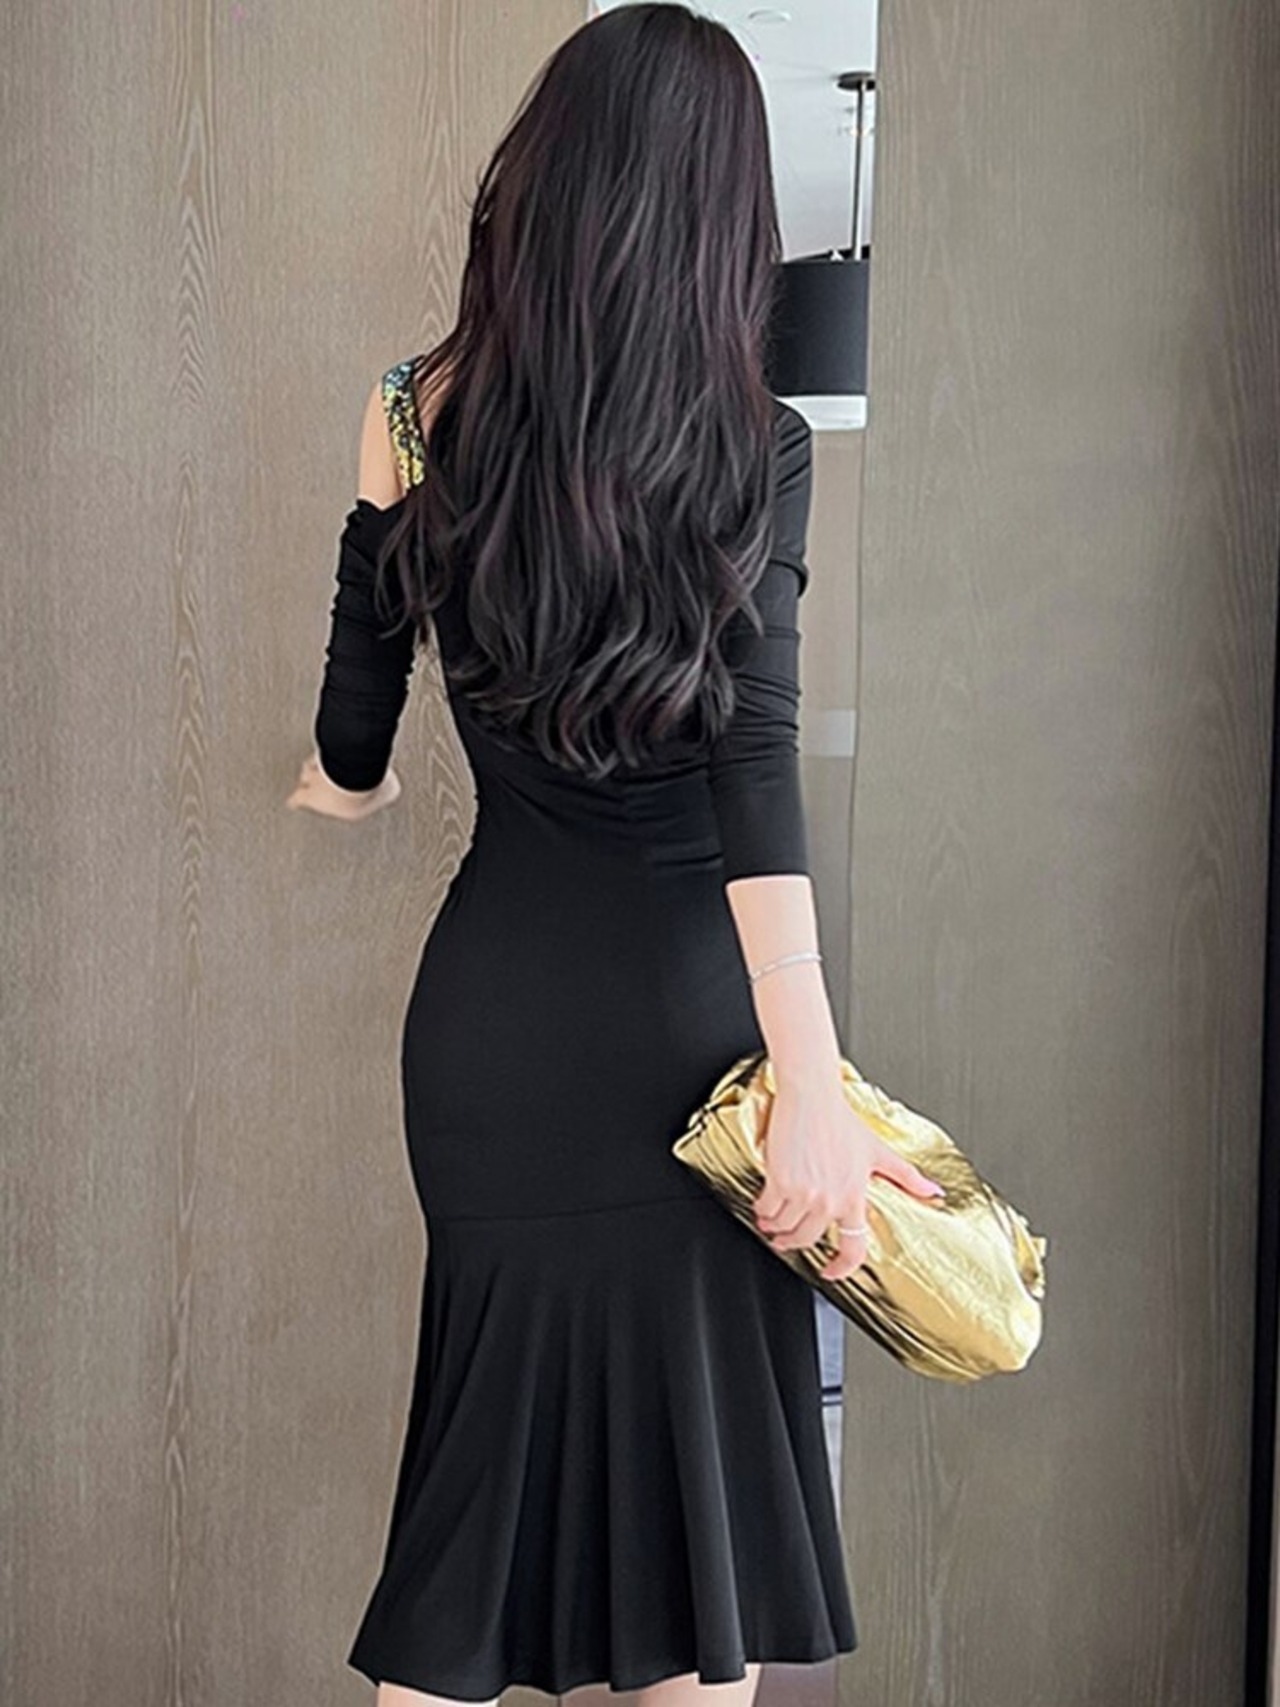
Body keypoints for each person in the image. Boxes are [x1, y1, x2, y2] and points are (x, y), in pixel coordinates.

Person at [286, 7, 943, 1704]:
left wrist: (341, 789)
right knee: (688, 1551)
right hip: (688, 1036)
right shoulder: (755, 447)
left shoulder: (412, 411)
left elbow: (353, 726)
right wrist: (813, 1084)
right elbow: (751, 772)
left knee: (469, 1531)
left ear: (548, 177)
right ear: (722, 214)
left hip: (490, 1035)